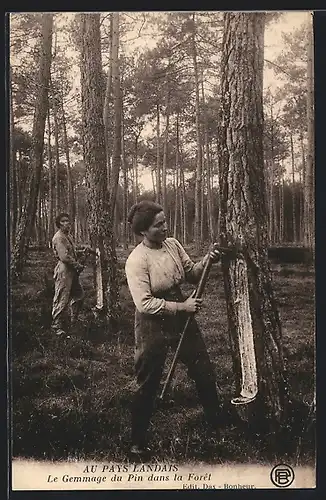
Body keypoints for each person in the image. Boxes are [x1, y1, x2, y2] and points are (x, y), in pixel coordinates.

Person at [125, 200, 222, 457]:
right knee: (148, 380)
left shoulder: (173, 245)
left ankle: (216, 419)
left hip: (181, 311)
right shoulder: (136, 261)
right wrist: (182, 307)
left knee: (202, 367)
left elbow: (192, 273)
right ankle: (137, 442)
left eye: (165, 221)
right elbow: (145, 304)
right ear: (143, 231)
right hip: (152, 321)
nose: (165, 227)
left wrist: (208, 260)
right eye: (159, 225)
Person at [51, 213, 85, 337]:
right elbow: (64, 257)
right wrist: (77, 265)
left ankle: (73, 320)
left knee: (79, 295)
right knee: (62, 298)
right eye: (64, 221)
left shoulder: (67, 236)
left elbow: (71, 252)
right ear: (59, 224)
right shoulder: (59, 237)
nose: (67, 223)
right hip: (64, 270)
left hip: (71, 271)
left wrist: (82, 252)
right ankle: (56, 326)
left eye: (68, 221)